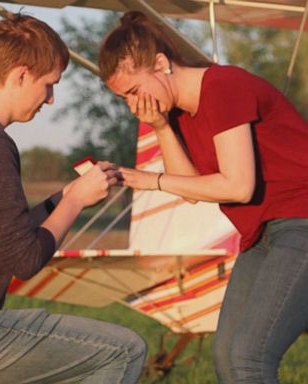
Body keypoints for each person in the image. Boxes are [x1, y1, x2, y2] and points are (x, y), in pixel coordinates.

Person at [0, 14, 147, 384]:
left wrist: (65, 197)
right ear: (22, 75)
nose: (51, 99)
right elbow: (24, 259)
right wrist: (74, 206)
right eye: (49, 84)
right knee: (123, 351)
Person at [98, 10, 308, 384]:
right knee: (227, 355)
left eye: (132, 91)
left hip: (301, 223)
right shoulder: (178, 113)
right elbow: (190, 188)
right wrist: (162, 128)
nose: (132, 106)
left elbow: (237, 186)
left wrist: (151, 180)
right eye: (123, 99)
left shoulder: (223, 87)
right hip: (261, 237)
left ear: (160, 63)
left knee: (248, 358)